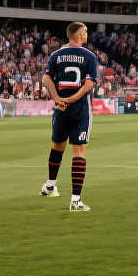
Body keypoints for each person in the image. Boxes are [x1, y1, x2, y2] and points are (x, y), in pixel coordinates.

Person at [39, 21, 100, 211]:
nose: (87, 34)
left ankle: (50, 185)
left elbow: (46, 78)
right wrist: (72, 99)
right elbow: (89, 84)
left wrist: (58, 99)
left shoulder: (56, 55)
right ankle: (75, 200)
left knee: (58, 145)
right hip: (79, 109)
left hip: (61, 109)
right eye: (85, 31)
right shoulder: (89, 56)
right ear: (79, 35)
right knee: (79, 152)